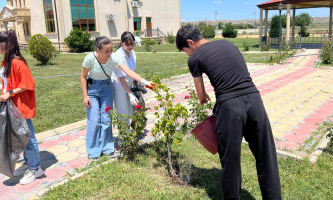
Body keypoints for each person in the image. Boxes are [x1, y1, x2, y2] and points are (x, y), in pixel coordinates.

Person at [176, 26, 281, 199]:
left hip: (230, 107)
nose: (187, 54)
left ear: (190, 43)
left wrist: (203, 98)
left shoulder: (194, 58)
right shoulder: (229, 44)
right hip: (255, 101)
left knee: (231, 162)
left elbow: (200, 93)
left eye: (185, 51)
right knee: (266, 156)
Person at [81, 36, 153, 160]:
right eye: (106, 51)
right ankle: (93, 150)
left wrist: (145, 81)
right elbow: (83, 76)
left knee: (106, 119)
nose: (110, 53)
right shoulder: (89, 58)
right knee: (94, 120)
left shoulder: (114, 57)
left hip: (107, 89)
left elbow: (128, 72)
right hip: (93, 90)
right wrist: (85, 95)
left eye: (111, 50)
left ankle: (107, 147)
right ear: (98, 50)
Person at [0, 30, 44, 185]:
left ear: (4, 44)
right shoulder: (6, 62)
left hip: (20, 106)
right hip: (11, 106)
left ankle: (36, 168)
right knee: (20, 137)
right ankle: (29, 163)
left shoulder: (17, 62)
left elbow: (28, 84)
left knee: (27, 137)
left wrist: (9, 93)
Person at [112, 32, 137, 121]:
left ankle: (129, 132)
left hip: (129, 84)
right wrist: (130, 94)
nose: (130, 47)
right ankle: (124, 133)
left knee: (131, 110)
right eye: (127, 44)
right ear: (121, 43)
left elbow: (132, 71)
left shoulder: (133, 53)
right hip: (119, 86)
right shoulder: (118, 56)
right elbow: (121, 78)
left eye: (132, 44)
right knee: (122, 111)